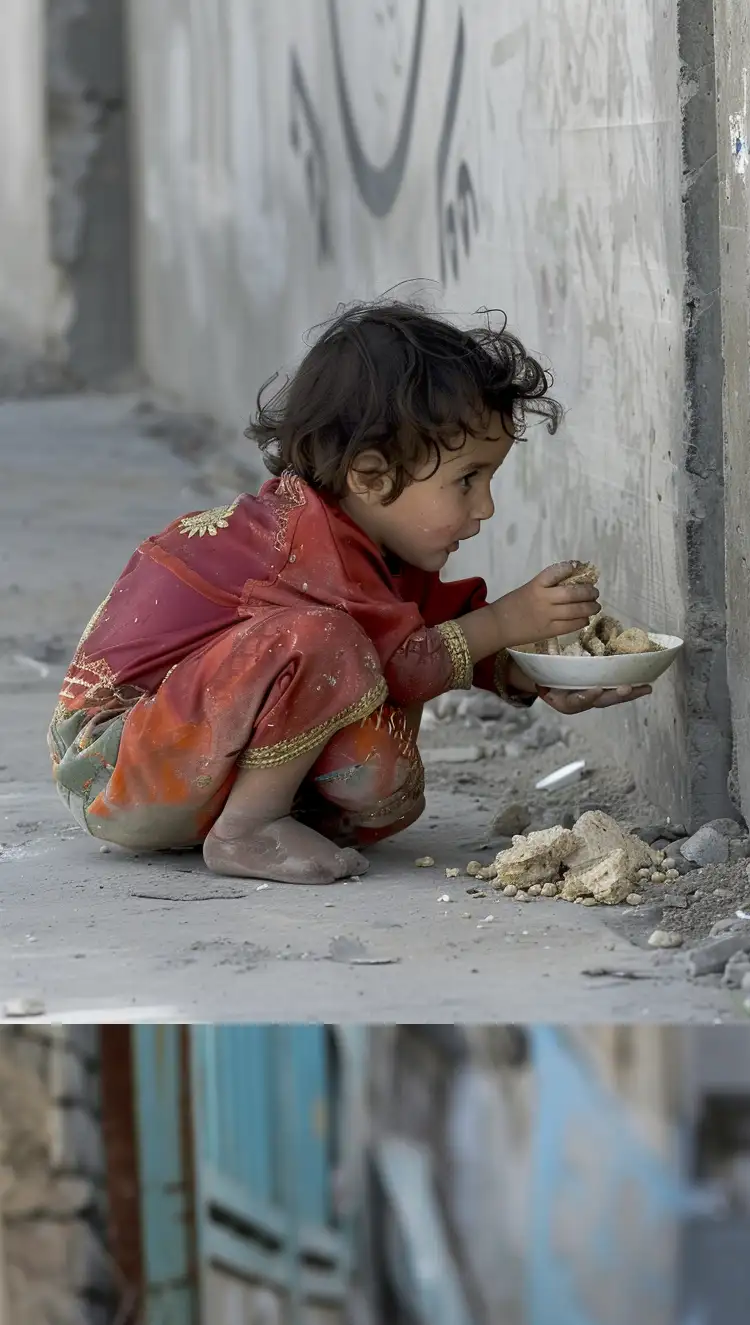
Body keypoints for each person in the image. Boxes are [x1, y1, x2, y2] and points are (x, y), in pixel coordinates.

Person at [49, 299, 652, 885]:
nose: (486, 508)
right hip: (111, 760)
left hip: (185, 758)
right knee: (321, 639)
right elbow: (411, 663)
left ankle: (247, 817)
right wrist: (507, 619)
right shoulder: (301, 548)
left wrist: (541, 674)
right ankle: (248, 829)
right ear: (369, 475)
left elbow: (431, 633)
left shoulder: (375, 548)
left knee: (383, 779)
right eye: (467, 480)